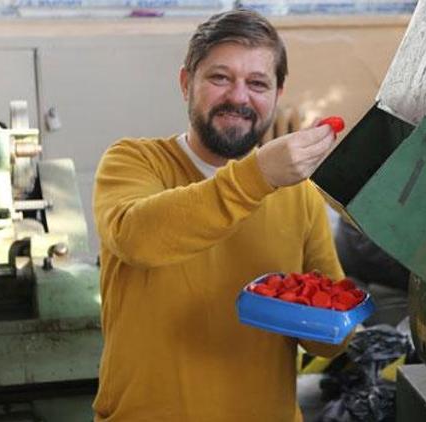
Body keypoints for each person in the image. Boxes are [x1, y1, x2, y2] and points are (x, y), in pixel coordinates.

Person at [91, 9, 347, 421]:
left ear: (278, 95)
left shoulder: (298, 194)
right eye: (220, 78)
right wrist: (259, 175)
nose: (239, 97)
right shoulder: (133, 162)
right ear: (185, 83)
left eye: (258, 83)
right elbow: (139, 238)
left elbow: (329, 340)